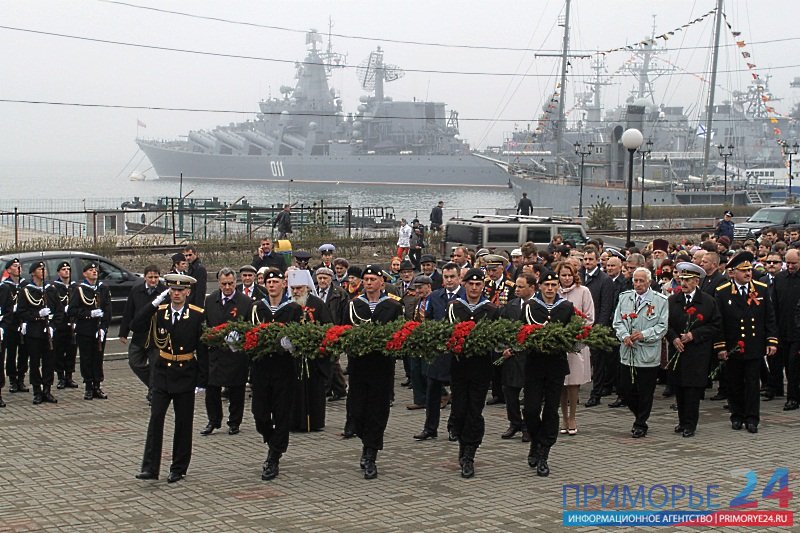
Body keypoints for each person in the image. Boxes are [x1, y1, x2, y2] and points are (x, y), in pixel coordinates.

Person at [133, 274, 205, 484]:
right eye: (173, 290)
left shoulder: (197, 315)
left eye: (180, 291)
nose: (176, 294)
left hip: (185, 373)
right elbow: (137, 325)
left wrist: (202, 381)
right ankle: (150, 467)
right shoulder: (160, 313)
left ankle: (178, 468)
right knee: (156, 419)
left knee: (183, 423)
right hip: (163, 372)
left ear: (188, 293)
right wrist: (153, 304)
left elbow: (203, 349)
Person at [344, 265, 404, 479]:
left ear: (382, 282)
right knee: (357, 411)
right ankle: (365, 442)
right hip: (359, 367)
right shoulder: (353, 305)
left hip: (381, 368)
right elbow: (343, 331)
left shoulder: (393, 306)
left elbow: (400, 334)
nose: (369, 283)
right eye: (366, 279)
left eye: (372, 279)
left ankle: (371, 454)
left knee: (377, 412)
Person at [714, 252, 778, 434]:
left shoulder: (761, 289)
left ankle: (752, 418)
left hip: (754, 345)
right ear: (733, 273)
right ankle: (737, 415)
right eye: (743, 270)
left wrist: (771, 341)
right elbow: (719, 323)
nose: (748, 273)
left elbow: (769, 318)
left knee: (752, 383)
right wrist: (721, 346)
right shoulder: (723, 291)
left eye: (749, 269)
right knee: (734, 382)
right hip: (733, 346)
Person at [520, 271, 575, 477]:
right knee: (532, 409)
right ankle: (535, 440)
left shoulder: (566, 307)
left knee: (551, 410)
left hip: (556, 366)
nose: (550, 289)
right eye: (547, 285)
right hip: (534, 365)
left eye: (554, 285)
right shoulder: (529, 307)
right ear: (540, 286)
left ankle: (544, 452)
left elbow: (573, 334)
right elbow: (520, 332)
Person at [250, 270, 303, 480]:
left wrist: (292, 345)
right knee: (259, 414)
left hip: (284, 369)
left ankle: (274, 456)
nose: (271, 285)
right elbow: (248, 332)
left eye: (275, 281)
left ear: (284, 284)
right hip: (261, 368)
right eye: (268, 281)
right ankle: (272, 439)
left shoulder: (293, 309)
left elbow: (301, 337)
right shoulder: (257, 307)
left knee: (282, 414)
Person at [447, 268, 500, 479]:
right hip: (459, 367)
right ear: (464, 284)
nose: (475, 287)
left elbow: (497, 338)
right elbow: (446, 332)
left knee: (474, 411)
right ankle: (462, 442)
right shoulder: (454, 307)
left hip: (480, 368)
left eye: (478, 284)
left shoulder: (491, 310)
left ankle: (469, 453)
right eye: (471, 284)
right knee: (459, 409)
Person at [612, 267, 669, 438]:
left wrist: (644, 335)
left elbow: (662, 327)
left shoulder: (660, 300)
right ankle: (639, 415)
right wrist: (624, 336)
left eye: (641, 281)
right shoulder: (625, 298)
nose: (637, 284)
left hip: (648, 354)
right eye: (635, 281)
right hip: (628, 352)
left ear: (649, 282)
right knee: (626, 389)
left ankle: (641, 423)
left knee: (645, 391)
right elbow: (617, 322)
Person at [666, 262, 721, 438]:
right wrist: (673, 337)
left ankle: (691, 423)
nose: (684, 283)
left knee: (692, 390)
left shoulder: (707, 301)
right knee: (680, 388)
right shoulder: (673, 300)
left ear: (696, 281)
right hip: (678, 351)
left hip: (697, 353)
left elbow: (715, 325)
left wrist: (694, 335)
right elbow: (665, 323)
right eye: (682, 279)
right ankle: (682, 421)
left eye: (688, 280)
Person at [199, 267, 252, 437]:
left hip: (235, 353)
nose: (227, 287)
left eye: (230, 284)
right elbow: (205, 323)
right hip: (215, 353)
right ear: (219, 283)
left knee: (236, 390)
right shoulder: (211, 300)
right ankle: (213, 421)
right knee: (212, 389)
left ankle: (234, 422)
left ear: (235, 283)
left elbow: (250, 327)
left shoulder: (245, 302)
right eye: (224, 284)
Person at [414, 262, 462, 442]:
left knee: (457, 391)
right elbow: (428, 320)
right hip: (438, 352)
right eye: (446, 277)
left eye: (452, 277)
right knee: (432, 390)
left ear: (459, 278)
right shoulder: (435, 296)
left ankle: (453, 427)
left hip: (457, 352)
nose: (449, 280)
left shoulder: (465, 295)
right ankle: (430, 428)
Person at [288, 269, 333, 432]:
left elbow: (327, 326)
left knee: (314, 390)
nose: (296, 291)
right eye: (293, 288)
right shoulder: (290, 305)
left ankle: (315, 422)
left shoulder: (317, 304)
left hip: (314, 358)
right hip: (294, 357)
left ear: (307, 287)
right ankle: (295, 422)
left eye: (299, 288)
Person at [555, 261, 594, 436]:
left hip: (576, 341)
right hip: (558, 342)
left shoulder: (583, 291)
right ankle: (563, 416)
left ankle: (572, 416)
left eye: (569, 275)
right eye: (563, 275)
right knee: (561, 381)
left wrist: (574, 331)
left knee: (574, 380)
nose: (566, 278)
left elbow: (589, 316)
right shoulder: (553, 291)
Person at [17, 261, 64, 405]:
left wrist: (53, 326)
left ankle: (47, 390)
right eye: (39, 269)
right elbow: (22, 312)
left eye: (43, 269)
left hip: (48, 332)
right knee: (35, 362)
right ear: (33, 272)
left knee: (49, 362)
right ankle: (37, 391)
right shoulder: (26, 291)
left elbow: (59, 311)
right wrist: (38, 314)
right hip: (34, 331)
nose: (42, 271)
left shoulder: (51, 290)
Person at [118, 265, 166, 401]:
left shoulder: (164, 292)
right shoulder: (137, 291)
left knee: (155, 365)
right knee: (135, 362)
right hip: (140, 334)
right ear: (145, 277)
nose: (153, 280)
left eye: (156, 277)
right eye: (150, 277)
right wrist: (123, 332)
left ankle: (153, 392)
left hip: (156, 335)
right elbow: (128, 312)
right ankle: (154, 385)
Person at [498, 272, 536, 441]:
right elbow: (503, 328)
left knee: (529, 394)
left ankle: (528, 426)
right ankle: (515, 423)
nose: (517, 290)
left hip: (530, 357)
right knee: (509, 391)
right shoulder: (511, 305)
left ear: (532, 288)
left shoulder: (538, 305)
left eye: (521, 287)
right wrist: (504, 348)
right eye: (516, 286)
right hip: (511, 356)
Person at [68, 263, 112, 400]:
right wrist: (89, 314)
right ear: (84, 274)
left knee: (98, 358)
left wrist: (104, 327)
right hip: (85, 329)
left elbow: (108, 309)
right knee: (86, 358)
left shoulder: (103, 288)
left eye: (95, 270)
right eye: (90, 270)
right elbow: (72, 310)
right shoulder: (79, 290)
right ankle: (88, 386)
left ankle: (97, 386)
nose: (94, 272)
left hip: (99, 331)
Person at [766, 249, 800, 406]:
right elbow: (775, 306)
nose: (791, 266)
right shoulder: (780, 279)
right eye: (789, 263)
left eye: (794, 263)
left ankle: (793, 397)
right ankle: (777, 389)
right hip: (782, 329)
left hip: (797, 331)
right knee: (781, 362)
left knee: (793, 365)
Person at [483, 255, 515, 406]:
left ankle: (506, 391)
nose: (491, 273)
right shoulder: (486, 285)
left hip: (504, 326)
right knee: (493, 360)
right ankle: (496, 393)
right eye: (488, 270)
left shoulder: (510, 286)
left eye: (494, 270)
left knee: (504, 360)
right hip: (489, 326)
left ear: (502, 269)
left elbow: (512, 305)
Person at [315, 267, 348, 401]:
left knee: (332, 360)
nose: (322, 281)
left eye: (325, 278)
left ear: (330, 279)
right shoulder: (313, 292)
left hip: (334, 329)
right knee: (330, 361)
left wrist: (341, 331)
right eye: (320, 278)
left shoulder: (339, 293)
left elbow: (343, 312)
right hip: (318, 330)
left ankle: (329, 389)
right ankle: (339, 388)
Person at [0, 258, 28, 397]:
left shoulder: (25, 284)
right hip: (11, 324)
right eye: (15, 266)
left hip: (23, 323)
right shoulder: (5, 286)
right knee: (11, 353)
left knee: (24, 352)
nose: (18, 268)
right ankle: (12, 379)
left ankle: (21, 378)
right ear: (9, 269)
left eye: (19, 266)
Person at [50, 261, 78, 390]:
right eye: (63, 269)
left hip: (72, 324)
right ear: (58, 272)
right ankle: (61, 377)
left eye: (68, 269)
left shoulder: (75, 287)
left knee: (71, 351)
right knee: (59, 351)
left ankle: (69, 376)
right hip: (60, 324)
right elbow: (52, 306)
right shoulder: (54, 288)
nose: (66, 271)